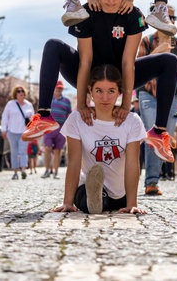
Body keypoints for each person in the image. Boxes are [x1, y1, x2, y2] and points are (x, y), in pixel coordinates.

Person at [22, 0, 177, 164]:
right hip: (88, 73)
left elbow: (128, 63)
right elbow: (85, 61)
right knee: (53, 45)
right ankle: (44, 115)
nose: (111, 1)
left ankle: (158, 133)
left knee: (169, 61)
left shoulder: (133, 15)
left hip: (121, 74)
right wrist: (81, 105)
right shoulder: (86, 12)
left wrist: (125, 105)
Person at [52, 64, 147, 214]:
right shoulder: (77, 119)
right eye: (99, 91)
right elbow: (74, 162)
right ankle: (96, 200)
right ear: (90, 90)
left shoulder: (132, 120)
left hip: (121, 193)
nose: (105, 98)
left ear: (119, 92)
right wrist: (67, 202)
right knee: (87, 199)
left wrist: (132, 204)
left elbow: (132, 164)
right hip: (86, 188)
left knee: (113, 200)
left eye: (111, 91)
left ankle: (100, 201)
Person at [137, 5, 177, 195]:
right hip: (148, 93)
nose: (171, 21)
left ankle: (153, 180)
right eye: (168, 17)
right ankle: (151, 182)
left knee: (162, 136)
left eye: (174, 18)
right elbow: (139, 66)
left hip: (170, 97)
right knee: (153, 135)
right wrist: (159, 50)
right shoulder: (147, 40)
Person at [1, 86, 34, 180]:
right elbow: (5, 117)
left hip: (24, 132)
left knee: (23, 151)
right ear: (15, 93)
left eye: (22, 91)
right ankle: (15, 172)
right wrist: (4, 129)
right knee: (14, 152)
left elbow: (33, 119)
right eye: (18, 91)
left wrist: (32, 132)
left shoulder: (29, 105)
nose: (21, 92)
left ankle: (23, 170)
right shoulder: (10, 104)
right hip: (12, 131)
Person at [41, 80, 72, 179]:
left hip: (61, 128)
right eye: (57, 88)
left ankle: (55, 172)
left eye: (60, 88)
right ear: (54, 88)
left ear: (62, 89)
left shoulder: (67, 101)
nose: (58, 90)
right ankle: (47, 170)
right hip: (49, 127)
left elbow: (68, 115)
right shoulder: (48, 99)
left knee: (58, 150)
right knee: (47, 148)